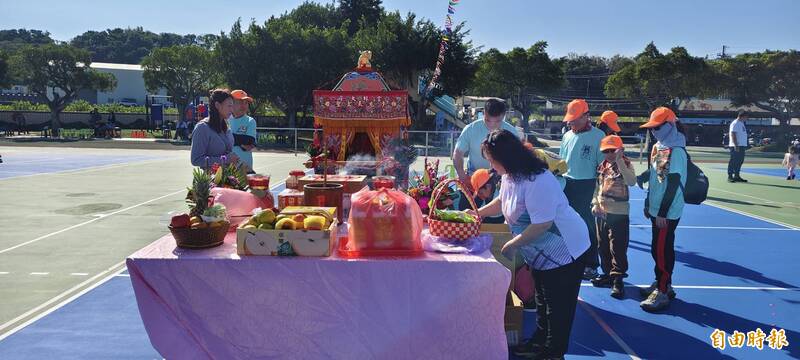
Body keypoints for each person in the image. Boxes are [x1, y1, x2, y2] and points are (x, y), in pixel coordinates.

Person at [473, 129, 589, 359]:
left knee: (558, 306)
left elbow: (542, 224)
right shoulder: (509, 175)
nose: (492, 166)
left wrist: (512, 244)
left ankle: (553, 351)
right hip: (540, 253)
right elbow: (501, 200)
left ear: (506, 158)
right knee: (542, 299)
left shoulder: (538, 180)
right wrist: (477, 213)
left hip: (566, 250)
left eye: (493, 162)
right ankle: (539, 342)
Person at [638, 107, 687, 312]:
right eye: (651, 128)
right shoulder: (660, 146)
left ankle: (663, 289)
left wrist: (663, 213)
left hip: (666, 212)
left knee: (661, 250)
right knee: (658, 248)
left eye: (657, 127)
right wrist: (649, 202)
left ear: (669, 125)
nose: (653, 131)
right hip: (657, 208)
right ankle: (662, 282)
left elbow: (674, 183)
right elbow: (657, 173)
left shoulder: (676, 150)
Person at [559, 99, 605, 280]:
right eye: (569, 119)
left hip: (588, 185)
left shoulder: (599, 136)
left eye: (575, 119)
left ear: (586, 116)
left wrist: (598, 194)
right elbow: (562, 162)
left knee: (588, 227)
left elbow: (602, 168)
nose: (571, 122)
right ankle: (568, 259)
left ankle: (591, 264)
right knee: (566, 224)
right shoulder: (567, 135)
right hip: (566, 184)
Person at [590, 135, 636, 299]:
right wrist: (595, 203)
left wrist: (620, 161)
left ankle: (618, 279)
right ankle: (608, 274)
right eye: (606, 151)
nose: (609, 154)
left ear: (620, 149)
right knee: (602, 245)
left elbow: (631, 182)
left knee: (617, 247)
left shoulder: (627, 163)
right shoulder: (602, 166)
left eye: (612, 150)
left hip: (619, 213)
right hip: (602, 213)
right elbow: (597, 188)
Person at [453, 98, 521, 194]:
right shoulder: (471, 129)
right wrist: (462, 175)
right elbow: (458, 153)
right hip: (474, 178)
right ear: (484, 113)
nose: (492, 125)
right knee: (467, 207)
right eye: (488, 120)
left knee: (498, 207)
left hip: (502, 179)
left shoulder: (511, 132)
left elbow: (518, 157)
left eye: (498, 121)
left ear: (503, 116)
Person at [190, 89, 239, 169]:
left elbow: (229, 154)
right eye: (229, 106)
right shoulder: (202, 128)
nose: (232, 110)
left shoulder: (226, 127)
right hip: (210, 179)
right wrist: (225, 159)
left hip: (228, 178)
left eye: (232, 106)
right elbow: (196, 160)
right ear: (217, 105)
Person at [229, 90, 258, 173]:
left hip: (245, 167)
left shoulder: (250, 121)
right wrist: (241, 141)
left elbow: (249, 140)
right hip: (227, 167)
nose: (244, 105)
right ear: (231, 103)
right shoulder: (224, 120)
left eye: (246, 103)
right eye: (240, 102)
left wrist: (229, 138)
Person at [727, 110, 749, 183]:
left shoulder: (741, 123)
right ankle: (730, 176)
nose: (747, 118)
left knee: (740, 161)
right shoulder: (735, 123)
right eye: (746, 117)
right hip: (736, 145)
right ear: (742, 116)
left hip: (742, 145)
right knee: (733, 161)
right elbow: (733, 134)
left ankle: (737, 176)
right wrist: (736, 145)